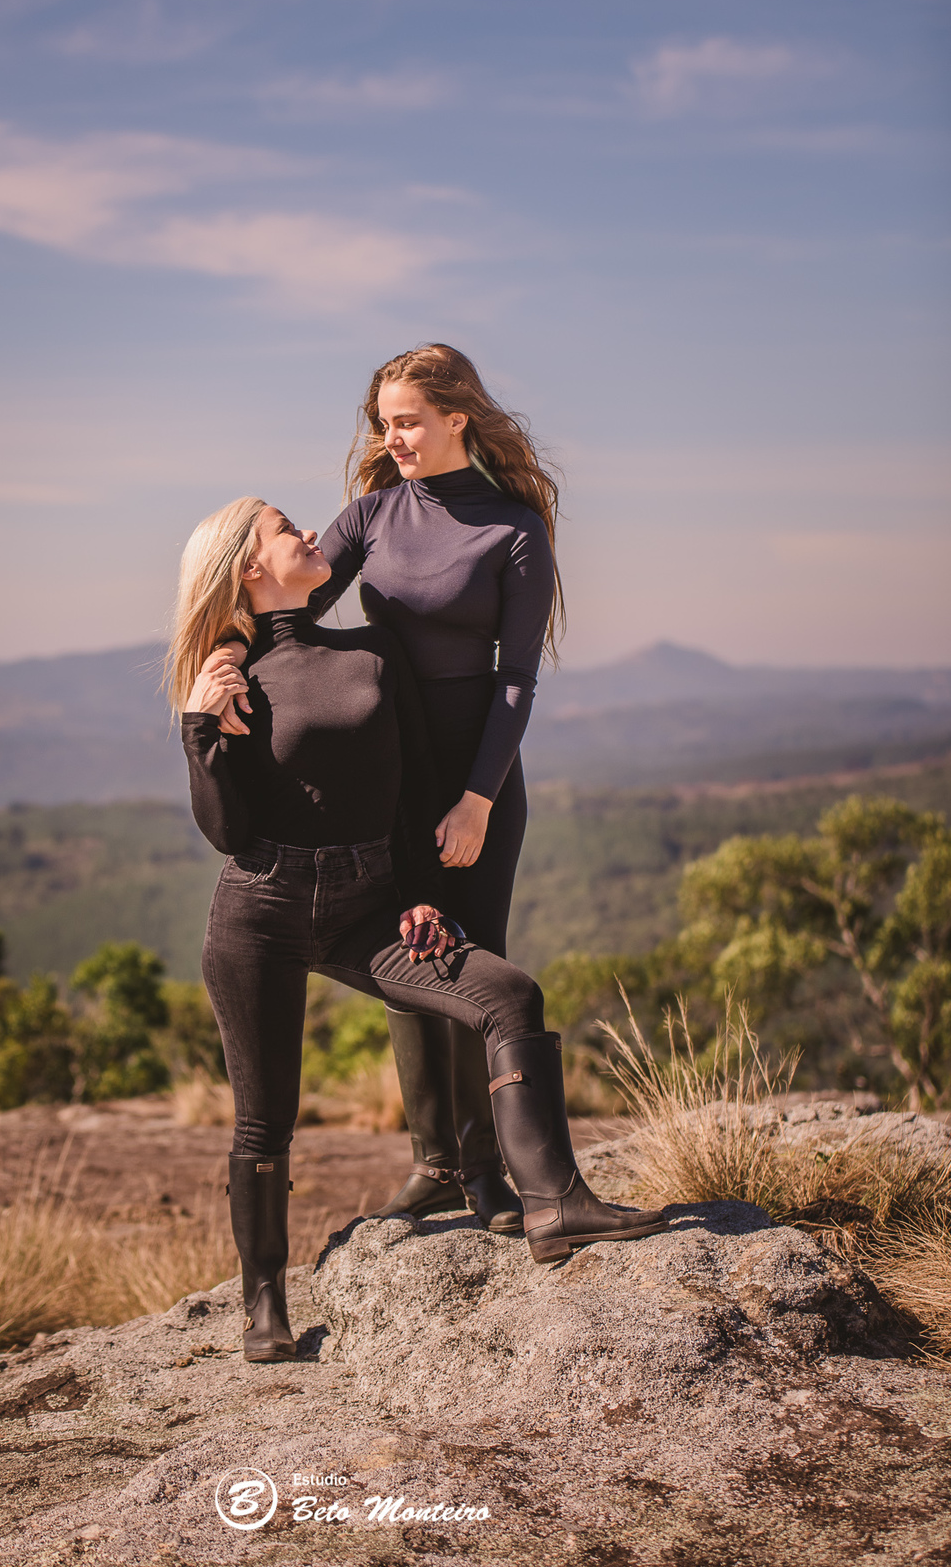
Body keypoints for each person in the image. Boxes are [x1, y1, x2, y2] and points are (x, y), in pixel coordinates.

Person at [167, 495, 664, 1364]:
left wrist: (424, 892)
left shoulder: (371, 650)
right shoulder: (231, 679)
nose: (310, 533)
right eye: (287, 531)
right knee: (264, 1120)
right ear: (250, 570)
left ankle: (551, 1201)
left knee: (508, 994)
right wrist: (199, 728)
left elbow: (416, 786)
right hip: (263, 909)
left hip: (373, 907)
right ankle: (265, 1306)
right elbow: (228, 832)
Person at [210, 345, 562, 1235]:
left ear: (458, 418)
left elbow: (517, 678)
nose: (392, 437)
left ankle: (486, 1170)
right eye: (384, 423)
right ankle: (433, 1162)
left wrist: (478, 798)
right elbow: (283, 598)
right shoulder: (372, 513)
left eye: (407, 420)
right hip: (389, 769)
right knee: (411, 957)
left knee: (470, 957)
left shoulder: (514, 529)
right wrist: (222, 656)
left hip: (477, 769)